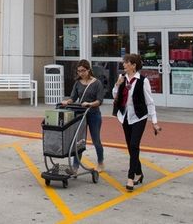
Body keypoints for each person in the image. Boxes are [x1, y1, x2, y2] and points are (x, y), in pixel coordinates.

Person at [112, 53, 160, 192]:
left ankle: (130, 177)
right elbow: (115, 95)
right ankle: (139, 173)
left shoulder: (142, 81)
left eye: (126, 62)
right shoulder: (122, 78)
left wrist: (154, 122)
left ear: (133, 65)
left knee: (134, 145)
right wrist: (117, 85)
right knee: (130, 147)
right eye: (124, 62)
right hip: (125, 116)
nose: (124, 64)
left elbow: (150, 102)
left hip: (139, 116)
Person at [60, 59, 105, 173]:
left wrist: (90, 104)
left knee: (96, 140)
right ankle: (75, 167)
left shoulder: (97, 83)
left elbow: (99, 101)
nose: (81, 73)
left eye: (83, 71)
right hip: (81, 114)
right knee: (79, 141)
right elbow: (73, 97)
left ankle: (100, 162)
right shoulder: (77, 83)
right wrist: (67, 101)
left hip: (94, 114)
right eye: (79, 71)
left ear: (88, 70)